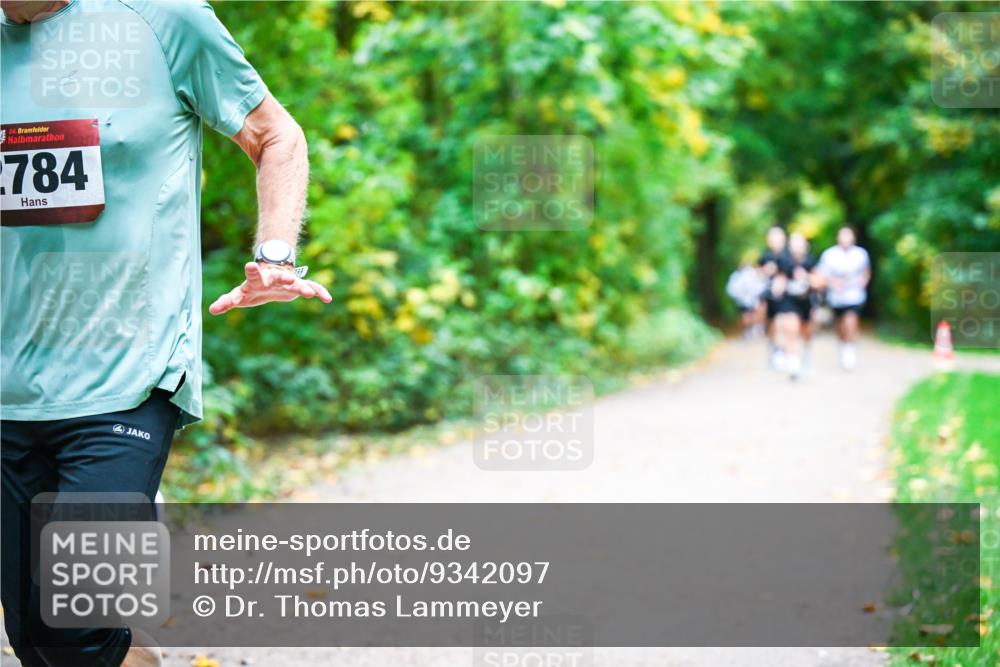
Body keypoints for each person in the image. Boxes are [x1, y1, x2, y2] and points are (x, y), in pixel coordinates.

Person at [1, 1, 331, 665]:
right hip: (9, 389)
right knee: (34, 638)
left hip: (129, 379)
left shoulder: (164, 19)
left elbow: (277, 136)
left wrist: (274, 256)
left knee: (76, 623)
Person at [816, 226, 870, 370]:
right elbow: (820, 275)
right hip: (836, 297)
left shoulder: (861, 254)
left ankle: (850, 350)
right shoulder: (829, 255)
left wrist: (863, 282)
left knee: (850, 321)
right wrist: (832, 282)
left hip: (855, 296)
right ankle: (843, 345)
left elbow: (866, 272)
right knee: (840, 325)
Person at [771, 233, 817, 380]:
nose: (797, 247)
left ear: (805, 246)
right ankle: (793, 363)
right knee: (791, 329)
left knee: (806, 332)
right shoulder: (783, 259)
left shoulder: (811, 260)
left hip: (806, 301)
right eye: (794, 244)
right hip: (789, 299)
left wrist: (808, 278)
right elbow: (780, 276)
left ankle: (805, 358)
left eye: (800, 244)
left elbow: (819, 280)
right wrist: (778, 285)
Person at [757, 226, 788, 369]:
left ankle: (783, 351)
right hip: (768, 296)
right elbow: (758, 274)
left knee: (783, 323)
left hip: (786, 296)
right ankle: (774, 349)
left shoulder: (788, 256)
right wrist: (765, 271)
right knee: (771, 324)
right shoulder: (765, 256)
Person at [725, 253, 767, 339]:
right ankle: (749, 330)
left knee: (752, 314)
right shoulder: (737, 276)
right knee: (747, 315)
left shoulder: (742, 275)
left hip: (750, 299)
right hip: (744, 300)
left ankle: (752, 329)